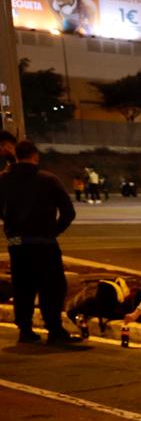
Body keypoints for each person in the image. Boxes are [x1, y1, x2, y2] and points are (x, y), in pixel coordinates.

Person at [1, 140, 76, 344]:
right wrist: (53, 231)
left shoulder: (4, 180)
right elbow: (68, 212)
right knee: (51, 286)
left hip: (17, 244)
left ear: (16, 156)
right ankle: (54, 329)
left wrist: (11, 228)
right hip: (44, 243)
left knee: (23, 286)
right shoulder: (48, 180)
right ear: (35, 156)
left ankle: (25, 330)